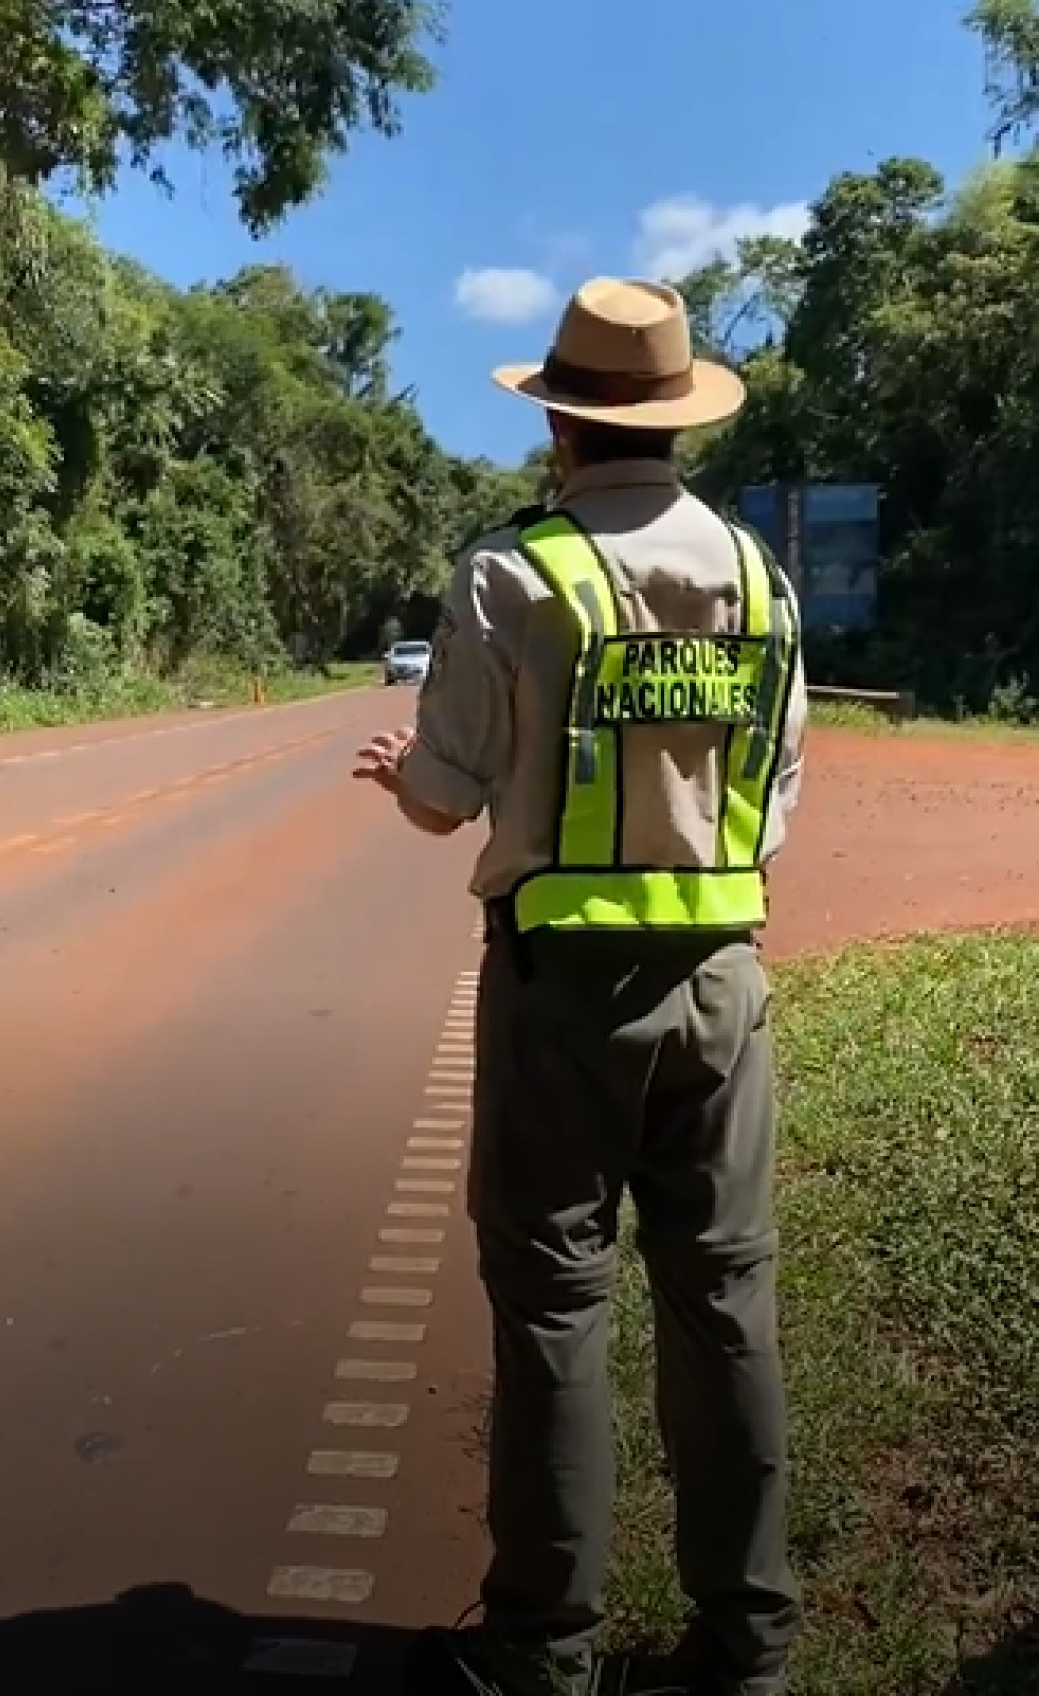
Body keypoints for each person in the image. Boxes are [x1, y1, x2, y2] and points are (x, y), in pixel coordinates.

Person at [354, 279, 806, 1696]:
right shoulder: (759, 579)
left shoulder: (514, 573)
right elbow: (775, 799)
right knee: (724, 1299)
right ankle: (749, 1648)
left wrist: (407, 781)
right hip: (725, 982)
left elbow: (446, 798)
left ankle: (543, 1654)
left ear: (561, 420)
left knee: (556, 1305)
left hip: (565, 988)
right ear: (674, 423)